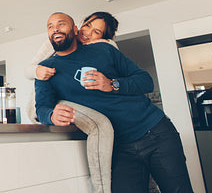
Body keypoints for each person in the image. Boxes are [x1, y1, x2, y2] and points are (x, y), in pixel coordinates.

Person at [35, 12, 194, 193]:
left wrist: (112, 84)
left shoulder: (105, 50)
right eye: (50, 26)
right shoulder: (44, 69)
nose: (55, 28)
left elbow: (145, 81)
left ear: (75, 29)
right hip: (118, 148)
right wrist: (51, 115)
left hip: (156, 132)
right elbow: (41, 107)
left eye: (61, 24)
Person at [25, 11, 119, 193]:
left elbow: (112, 47)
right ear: (79, 25)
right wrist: (37, 71)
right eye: (88, 25)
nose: (88, 33)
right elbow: (30, 69)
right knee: (100, 126)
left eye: (97, 32)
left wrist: (100, 44)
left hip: (81, 107)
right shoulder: (56, 42)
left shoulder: (100, 50)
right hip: (47, 104)